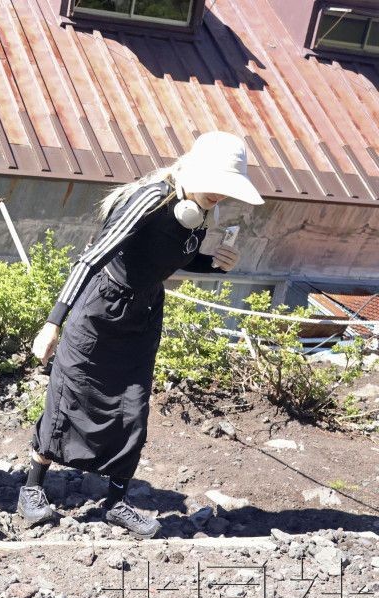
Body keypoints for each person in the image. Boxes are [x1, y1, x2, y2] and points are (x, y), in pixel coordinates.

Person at [16, 131, 263, 537]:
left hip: (144, 312)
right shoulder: (151, 199)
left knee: (132, 405)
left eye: (227, 187)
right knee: (69, 389)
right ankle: (32, 488)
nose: (221, 193)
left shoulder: (198, 209)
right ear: (196, 169)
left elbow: (163, 258)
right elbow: (92, 258)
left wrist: (214, 264)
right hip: (101, 307)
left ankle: (115, 502)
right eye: (217, 182)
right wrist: (52, 322)